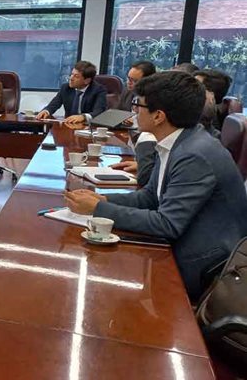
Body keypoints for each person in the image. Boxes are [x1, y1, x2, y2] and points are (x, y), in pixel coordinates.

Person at [64, 71, 247, 302]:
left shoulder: (194, 155)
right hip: (181, 244)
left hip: (201, 268)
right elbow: (151, 196)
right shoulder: (178, 141)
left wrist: (99, 211)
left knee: (99, 281)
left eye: (137, 105)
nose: (133, 111)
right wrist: (103, 201)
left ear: (159, 116)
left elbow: (167, 224)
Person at [35, 61, 107, 124]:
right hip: (69, 125)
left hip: (87, 128)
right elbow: (54, 104)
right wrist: (47, 111)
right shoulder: (66, 88)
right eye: (71, 74)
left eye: (76, 76)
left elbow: (99, 111)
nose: (71, 78)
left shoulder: (98, 90)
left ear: (87, 81)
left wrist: (83, 117)